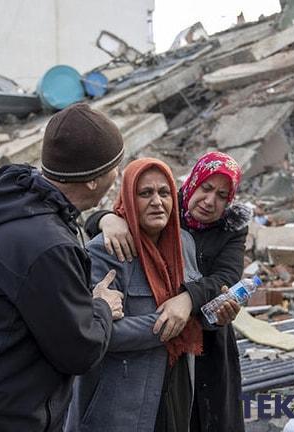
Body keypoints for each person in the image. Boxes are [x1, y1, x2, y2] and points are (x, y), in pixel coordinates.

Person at [0, 104, 126, 432]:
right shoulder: (48, 246)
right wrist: (101, 305)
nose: (117, 176)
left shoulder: (10, 205)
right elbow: (79, 350)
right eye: (115, 167)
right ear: (92, 180)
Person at [85, 151, 251, 431]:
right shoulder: (160, 211)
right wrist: (106, 219)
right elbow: (98, 329)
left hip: (201, 345)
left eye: (222, 196)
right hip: (139, 371)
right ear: (191, 183)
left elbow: (227, 276)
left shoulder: (223, 229)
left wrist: (192, 305)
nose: (210, 201)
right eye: (206, 188)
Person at [66, 158, 205, 432]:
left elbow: (197, 308)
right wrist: (170, 323)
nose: (157, 201)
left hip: (175, 383)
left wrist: (214, 312)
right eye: (145, 193)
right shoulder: (106, 250)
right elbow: (99, 330)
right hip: (122, 396)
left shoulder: (184, 244)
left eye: (164, 193)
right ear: (129, 197)